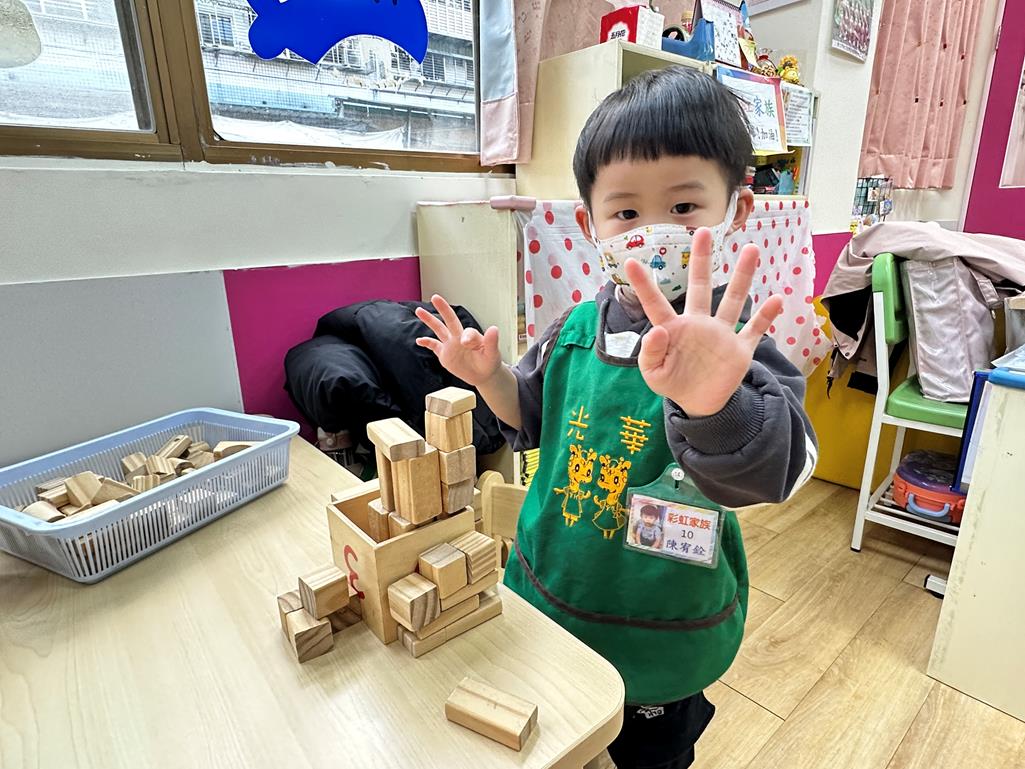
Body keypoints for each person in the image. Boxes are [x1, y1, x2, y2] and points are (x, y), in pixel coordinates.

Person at [415, 66, 817, 769]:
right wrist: (490, 380)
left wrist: (712, 405)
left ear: (736, 211)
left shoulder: (735, 347)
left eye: (684, 206)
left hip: (658, 634)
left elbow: (779, 470)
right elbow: (532, 417)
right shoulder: (573, 329)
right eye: (626, 213)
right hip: (550, 602)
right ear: (590, 225)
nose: (654, 231)